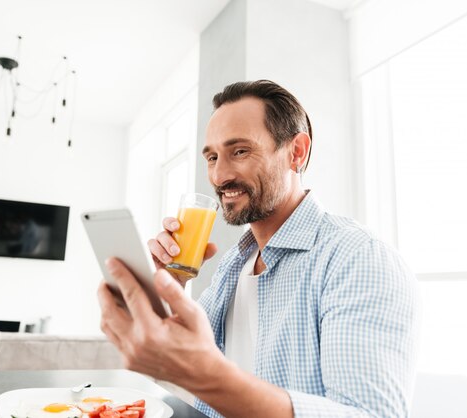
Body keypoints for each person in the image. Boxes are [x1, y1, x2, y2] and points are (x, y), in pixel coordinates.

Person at [97, 80, 418, 417]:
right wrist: (163, 296)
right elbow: (184, 372)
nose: (219, 175)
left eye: (240, 151)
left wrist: (207, 375)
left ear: (296, 152)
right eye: (212, 157)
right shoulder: (233, 265)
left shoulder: (357, 258)